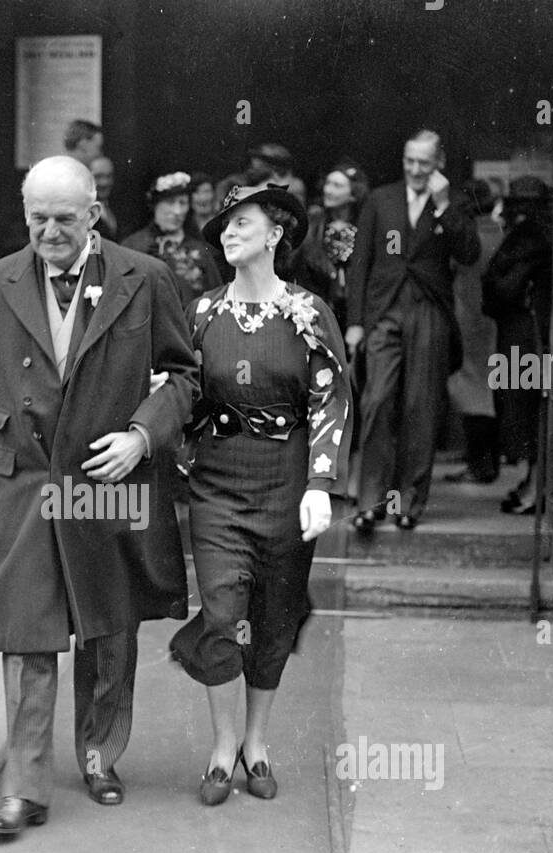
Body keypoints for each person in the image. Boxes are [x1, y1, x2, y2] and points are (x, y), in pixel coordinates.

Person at [0, 156, 199, 837]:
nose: (49, 232)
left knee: (108, 621)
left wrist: (141, 437)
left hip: (108, 477)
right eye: (37, 218)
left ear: (93, 214)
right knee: (27, 629)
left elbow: (185, 379)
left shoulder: (145, 278)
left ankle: (100, 755)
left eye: (64, 219)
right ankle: (26, 787)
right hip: (33, 482)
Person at [170, 183, 351, 805]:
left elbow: (331, 397)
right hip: (218, 485)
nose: (228, 233)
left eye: (241, 222)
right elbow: (180, 392)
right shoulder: (201, 314)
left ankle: (257, 743)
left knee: (273, 618)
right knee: (223, 615)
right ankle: (222, 750)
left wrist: (321, 483)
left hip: (286, 482)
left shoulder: (308, 311)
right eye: (223, 225)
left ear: (275, 234)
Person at [345, 129, 481, 532]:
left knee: (421, 408)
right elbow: (360, 265)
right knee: (377, 401)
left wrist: (442, 206)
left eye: (424, 162)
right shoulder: (379, 200)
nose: (415, 170)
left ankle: (408, 502)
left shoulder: (453, 202)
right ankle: (370, 501)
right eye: (409, 161)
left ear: (438, 163)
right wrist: (354, 324)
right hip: (384, 311)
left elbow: (469, 253)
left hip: (429, 311)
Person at [482, 175, 553, 513]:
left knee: (526, 409)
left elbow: (500, 287)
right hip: (533, 330)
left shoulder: (525, 238)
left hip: (526, 333)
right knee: (531, 408)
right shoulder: (545, 234)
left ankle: (535, 485)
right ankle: (533, 481)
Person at [444, 177, 503, 485]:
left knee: (470, 389)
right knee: (489, 389)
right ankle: (487, 459)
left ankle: (479, 464)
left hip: (467, 319)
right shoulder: (501, 233)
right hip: (493, 321)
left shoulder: (468, 238)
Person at [120, 170, 222, 304]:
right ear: (155, 205)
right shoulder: (134, 245)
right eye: (170, 202)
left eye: (183, 203)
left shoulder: (199, 249)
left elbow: (216, 296)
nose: (177, 211)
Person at [299, 160, 370, 330]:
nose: (328, 190)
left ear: (353, 194)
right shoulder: (314, 223)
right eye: (328, 183)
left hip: (356, 309)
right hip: (320, 306)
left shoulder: (365, 225)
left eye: (337, 186)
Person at [90, 154, 122, 241]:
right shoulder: (83, 213)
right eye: (98, 177)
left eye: (109, 176)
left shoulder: (119, 207)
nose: (104, 182)